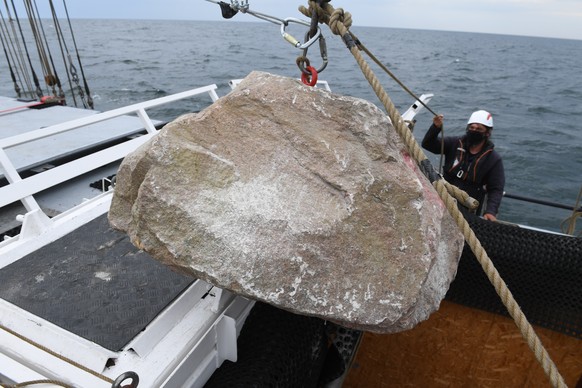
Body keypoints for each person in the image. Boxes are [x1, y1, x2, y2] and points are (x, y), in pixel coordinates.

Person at [422, 110, 505, 221]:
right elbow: (428, 144)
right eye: (472, 128)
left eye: (479, 129)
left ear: (487, 133)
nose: (474, 131)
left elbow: (496, 189)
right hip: (443, 198)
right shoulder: (454, 143)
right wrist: (435, 128)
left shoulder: (493, 159)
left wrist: (491, 211)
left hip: (469, 208)